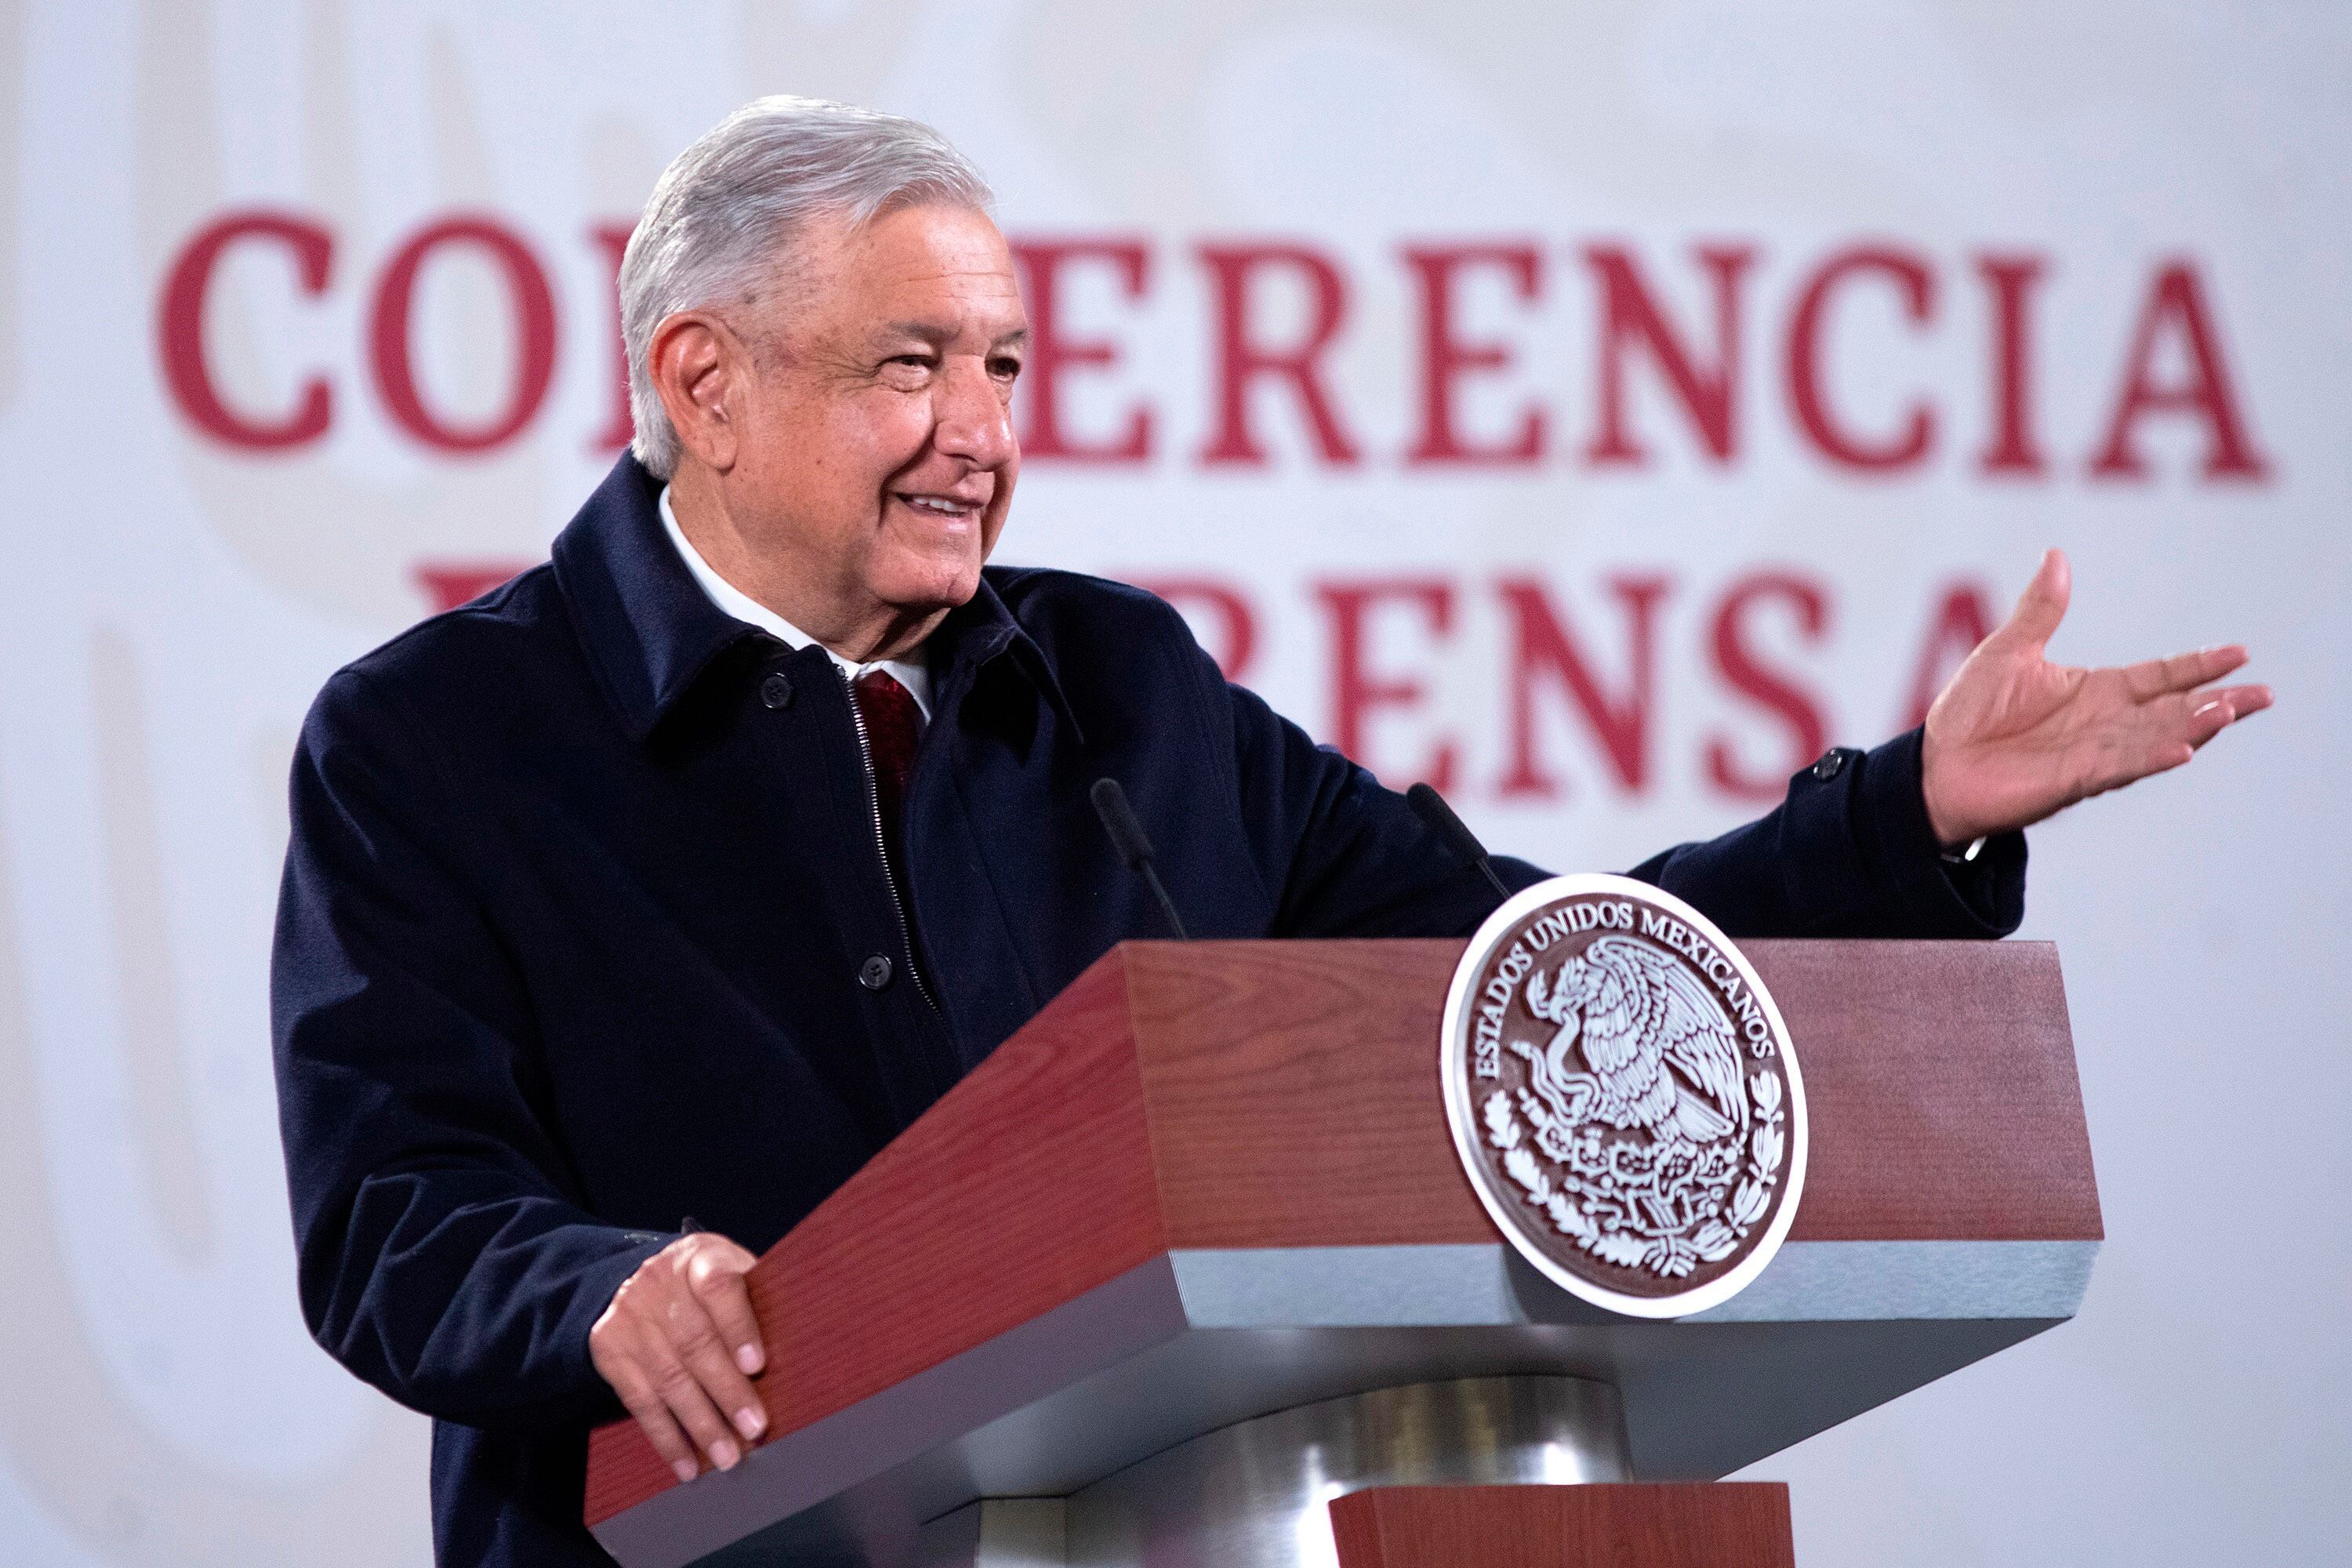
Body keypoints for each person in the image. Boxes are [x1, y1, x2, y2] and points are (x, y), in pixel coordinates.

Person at [269, 97, 2270, 1568]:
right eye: (912, 365)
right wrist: (604, 1289)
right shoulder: (439, 740)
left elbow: (1524, 988)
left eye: (1003, 365)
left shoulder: (1117, 688)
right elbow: (394, 1212)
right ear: (702, 384)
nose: (984, 432)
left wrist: (1901, 819)